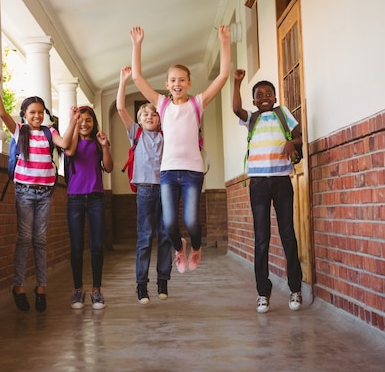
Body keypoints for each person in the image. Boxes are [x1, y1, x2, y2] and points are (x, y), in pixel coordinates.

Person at [130, 25, 231, 274]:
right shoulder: (162, 105)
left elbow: (222, 76)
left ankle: (195, 247)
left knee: (191, 221)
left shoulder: (197, 103)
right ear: (167, 83)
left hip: (193, 172)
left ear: (189, 83)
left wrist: (224, 42)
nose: (177, 84)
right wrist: (137, 45)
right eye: (172, 80)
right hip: (168, 172)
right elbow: (137, 78)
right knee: (169, 223)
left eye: (182, 80)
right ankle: (179, 248)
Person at [0, 72, 78, 312]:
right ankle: (18, 285)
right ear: (24, 115)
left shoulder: (51, 133)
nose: (37, 116)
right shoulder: (20, 132)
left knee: (40, 240)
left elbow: (66, 145)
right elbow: (1, 114)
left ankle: (41, 287)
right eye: (32, 112)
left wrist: (73, 121)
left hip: (45, 193)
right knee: (24, 239)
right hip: (25, 192)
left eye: (40, 112)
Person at [231, 69, 303, 313]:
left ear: (275, 98)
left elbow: (299, 137)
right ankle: (263, 293)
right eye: (259, 95)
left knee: (287, 235)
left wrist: (292, 143)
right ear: (253, 101)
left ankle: (295, 289)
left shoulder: (283, 115)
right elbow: (235, 109)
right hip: (259, 184)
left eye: (269, 94)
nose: (264, 97)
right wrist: (237, 82)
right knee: (261, 238)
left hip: (282, 180)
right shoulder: (251, 119)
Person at [116, 66, 171, 304]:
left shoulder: (165, 135)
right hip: (146, 191)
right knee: (145, 237)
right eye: (145, 115)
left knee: (167, 235)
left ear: (160, 119)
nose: (150, 117)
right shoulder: (135, 133)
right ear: (139, 120)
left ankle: (162, 280)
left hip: (167, 188)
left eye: (154, 114)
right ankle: (141, 285)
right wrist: (123, 81)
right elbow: (120, 107)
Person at [64, 106, 114, 310]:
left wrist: (105, 147)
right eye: (81, 120)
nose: (84, 123)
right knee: (76, 247)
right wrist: (73, 122)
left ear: (94, 123)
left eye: (88, 120)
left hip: (96, 199)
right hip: (74, 198)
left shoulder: (97, 143)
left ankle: (96, 290)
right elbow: (71, 151)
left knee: (97, 246)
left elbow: (109, 167)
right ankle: (78, 289)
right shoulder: (70, 141)